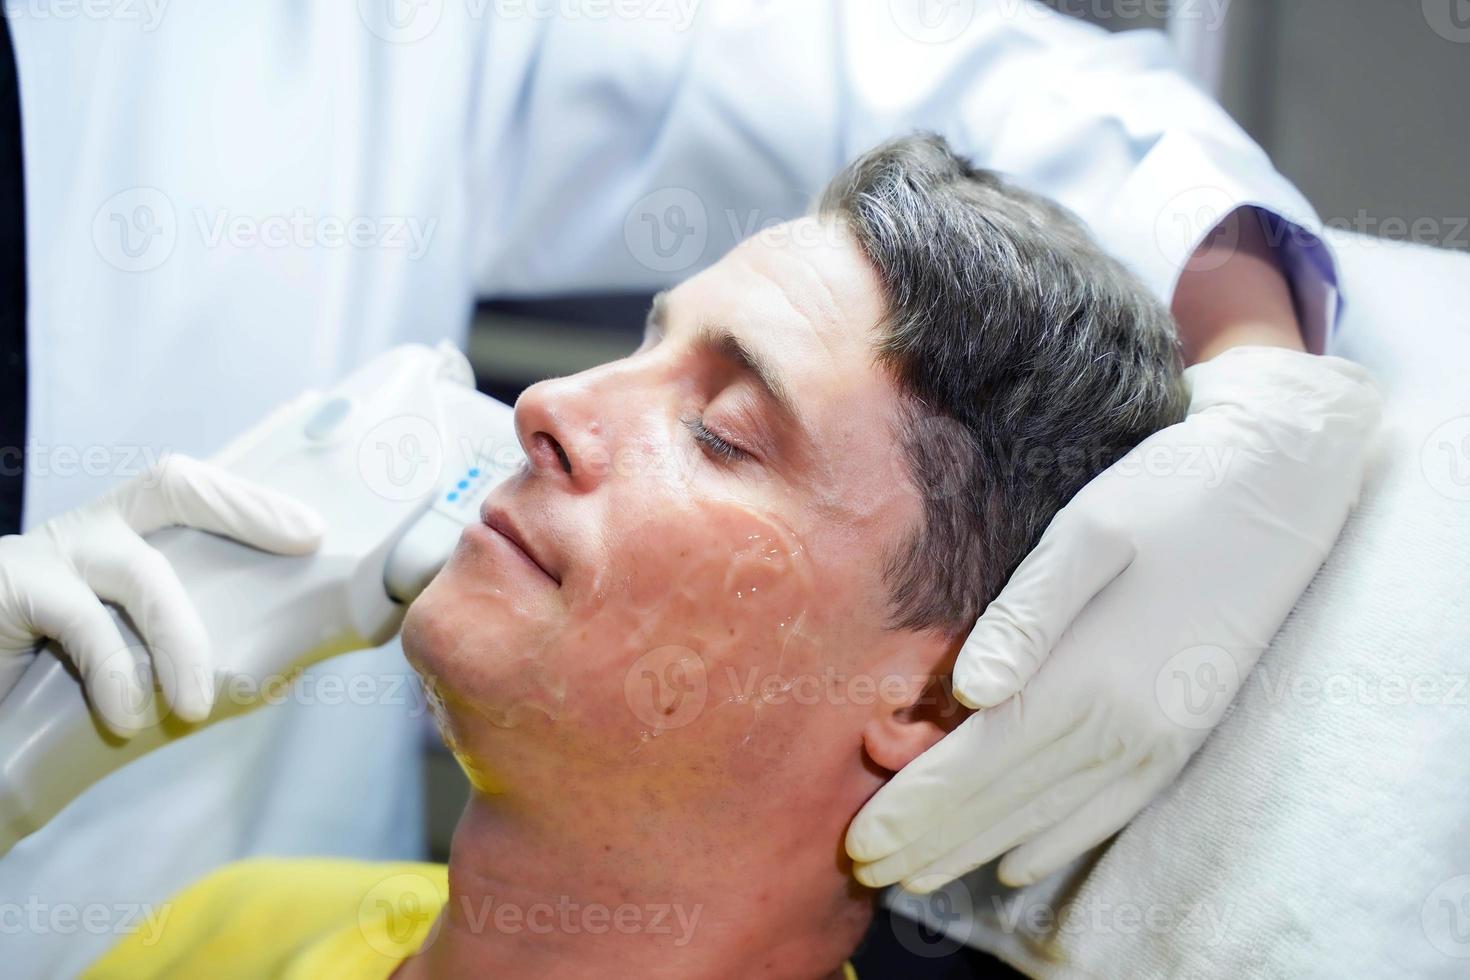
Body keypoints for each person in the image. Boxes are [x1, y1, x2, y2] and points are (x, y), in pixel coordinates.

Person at [0, 4, 1374, 974]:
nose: (539, 407)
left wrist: (1255, 366)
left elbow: (1005, 81)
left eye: (719, 430)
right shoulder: (223, 932)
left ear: (932, 697)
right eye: (637, 345)